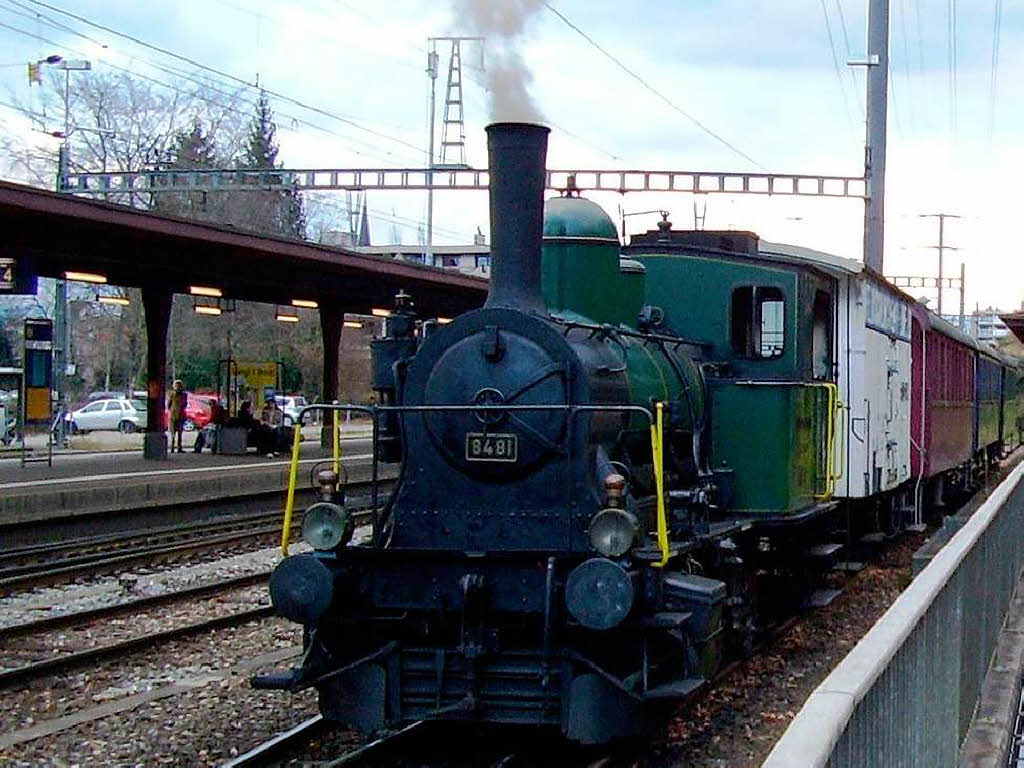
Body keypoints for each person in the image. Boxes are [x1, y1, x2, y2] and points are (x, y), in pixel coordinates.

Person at [168, 380, 187, 454]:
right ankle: (172, 447)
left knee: (179, 433)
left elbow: (185, 404)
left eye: (179, 386)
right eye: (177, 386)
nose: (178, 388)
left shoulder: (184, 395)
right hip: (173, 416)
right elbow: (169, 404)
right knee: (173, 433)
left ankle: (179, 447)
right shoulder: (172, 394)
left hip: (179, 415)